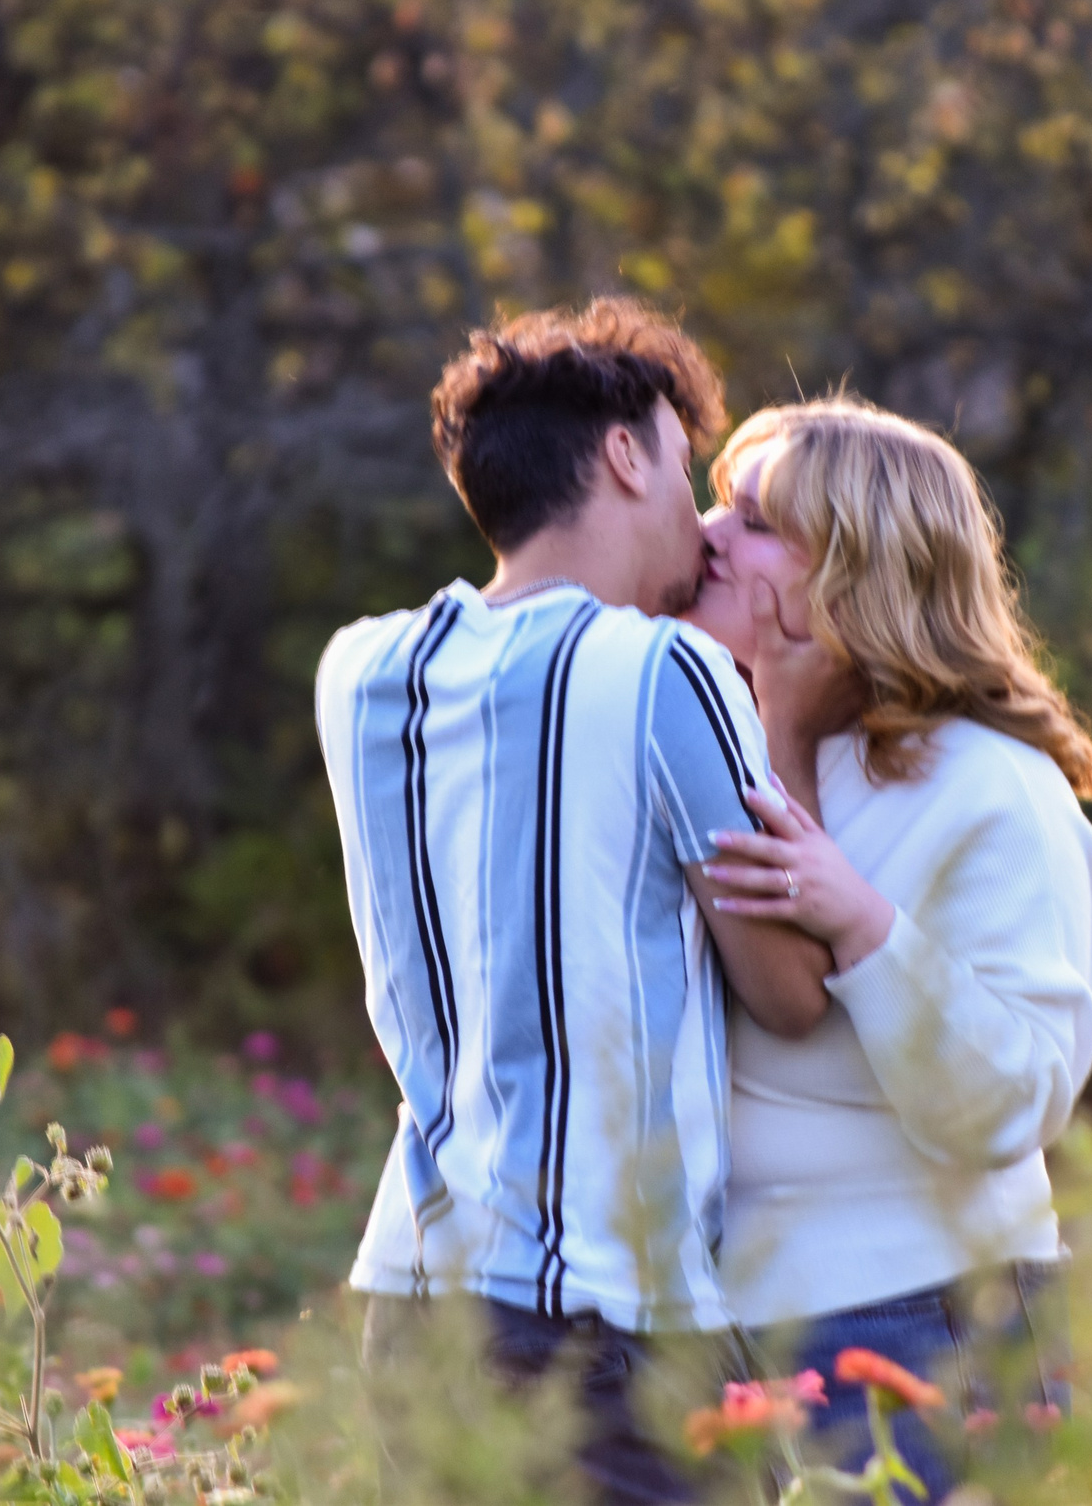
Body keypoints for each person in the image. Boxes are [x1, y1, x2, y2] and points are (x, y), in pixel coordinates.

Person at [313, 300, 834, 1504]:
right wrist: (792, 726)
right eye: (687, 469)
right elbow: (791, 994)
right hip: (600, 1317)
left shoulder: (362, 672)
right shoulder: (665, 671)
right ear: (622, 451)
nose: (702, 526)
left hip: (410, 1297)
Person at [681, 395, 1092, 1499]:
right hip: (742, 1329)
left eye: (753, 519)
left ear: (859, 571)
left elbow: (1017, 1102)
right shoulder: (719, 746)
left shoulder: (993, 789)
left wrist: (865, 926)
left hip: (930, 1317)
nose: (705, 534)